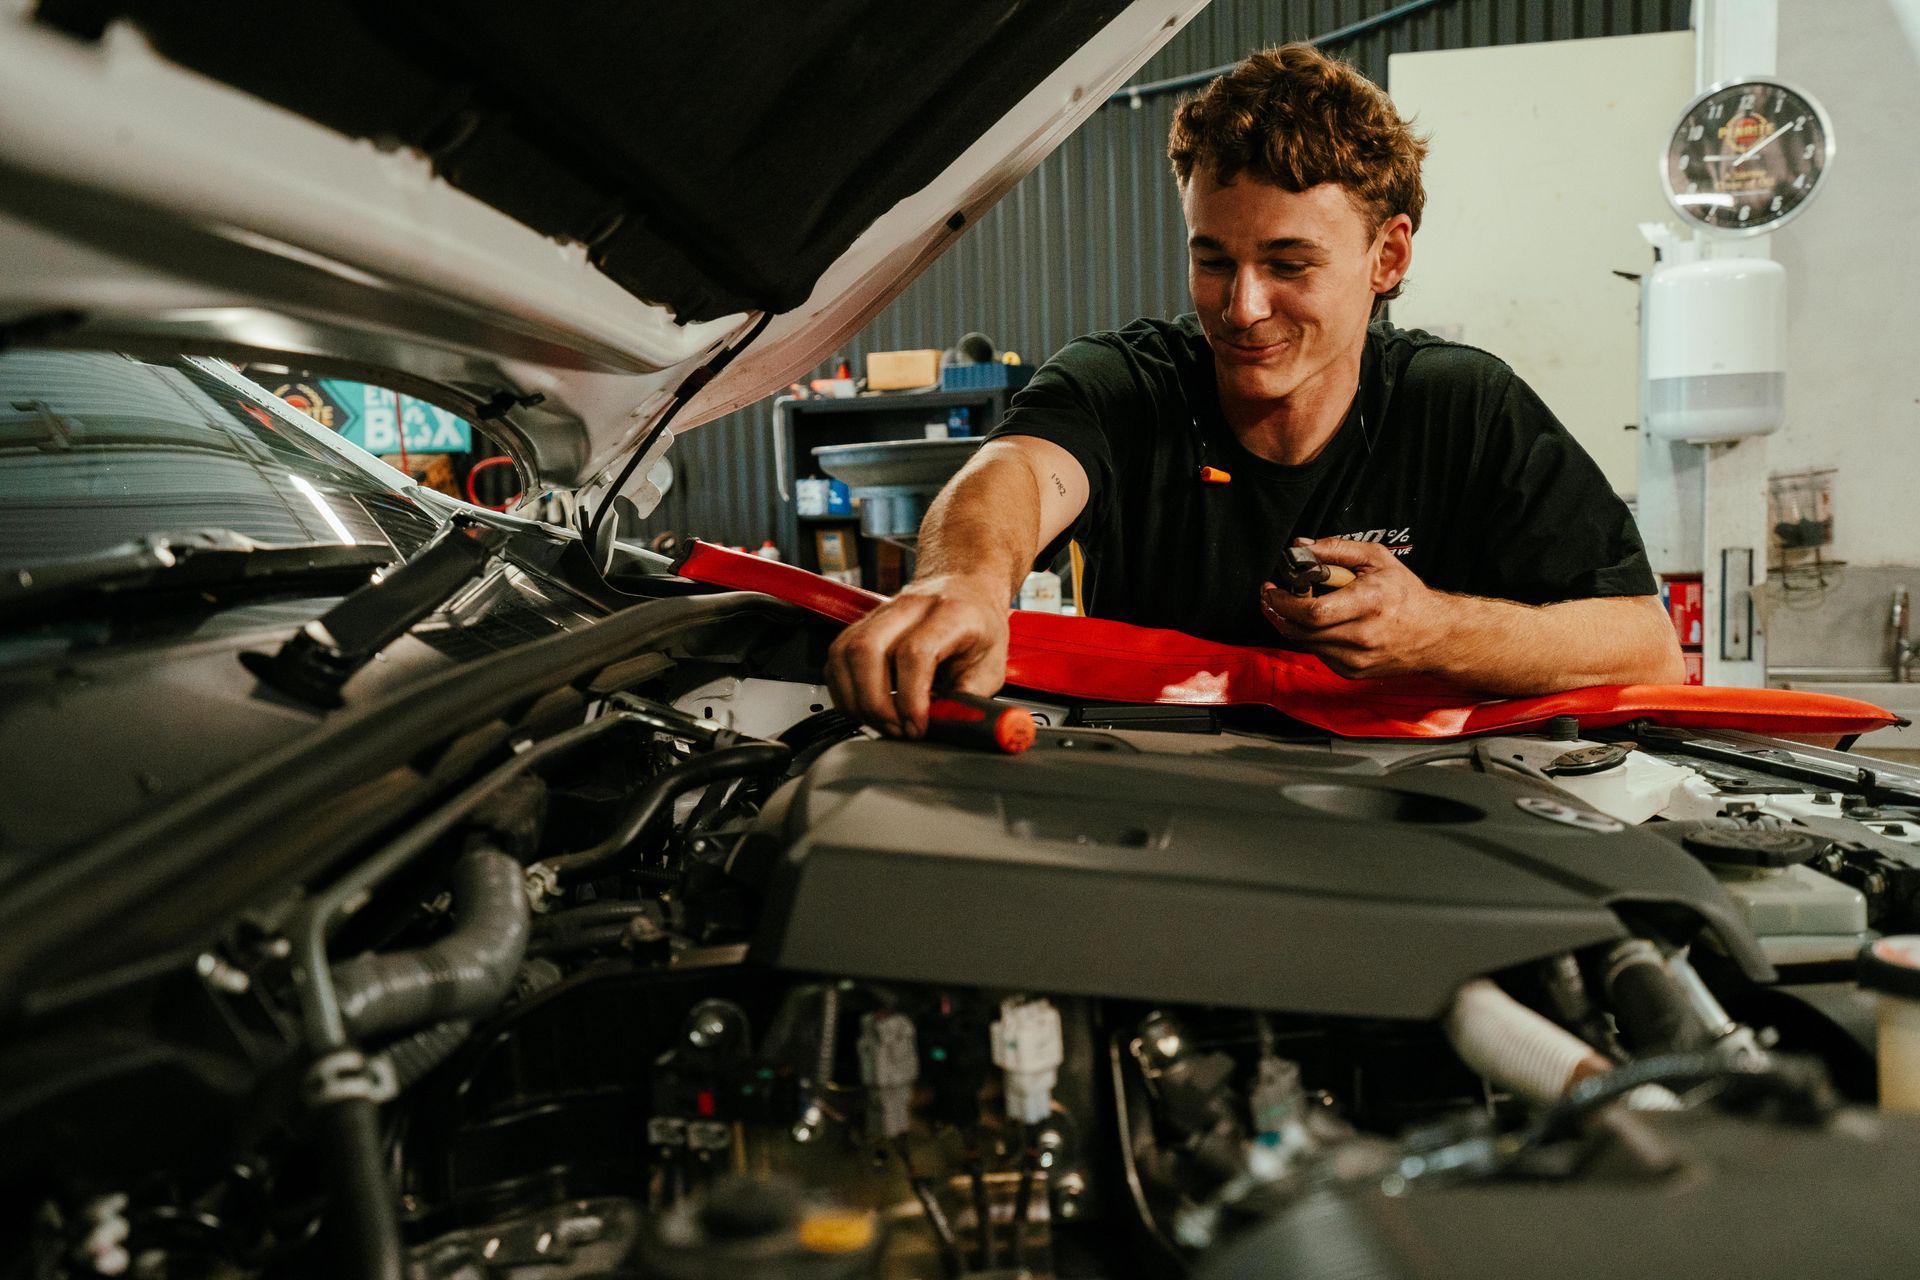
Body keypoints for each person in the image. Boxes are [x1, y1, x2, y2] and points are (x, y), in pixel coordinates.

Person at [826, 42, 1683, 739]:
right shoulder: (1126, 385)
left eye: (1288, 264)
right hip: (1165, 821)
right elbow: (1017, 469)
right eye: (1212, 260)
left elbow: (1648, 649)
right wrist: (963, 580)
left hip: (1415, 835)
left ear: (1388, 256)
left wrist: (1433, 629)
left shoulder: (1463, 406)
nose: (1241, 307)